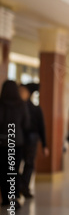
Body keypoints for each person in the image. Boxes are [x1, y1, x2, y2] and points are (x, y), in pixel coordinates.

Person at [0, 80, 29, 208]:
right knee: (14, 170)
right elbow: (26, 123)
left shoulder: (1, 104)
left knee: (3, 170)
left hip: (2, 142)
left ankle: (5, 198)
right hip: (16, 142)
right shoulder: (21, 105)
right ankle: (14, 198)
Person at [19, 83, 49, 198]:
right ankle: (23, 186)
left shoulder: (31, 108)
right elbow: (42, 127)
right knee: (27, 163)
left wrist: (45, 145)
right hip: (24, 138)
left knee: (26, 163)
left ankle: (23, 186)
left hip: (27, 138)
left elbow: (41, 127)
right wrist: (45, 145)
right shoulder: (28, 107)